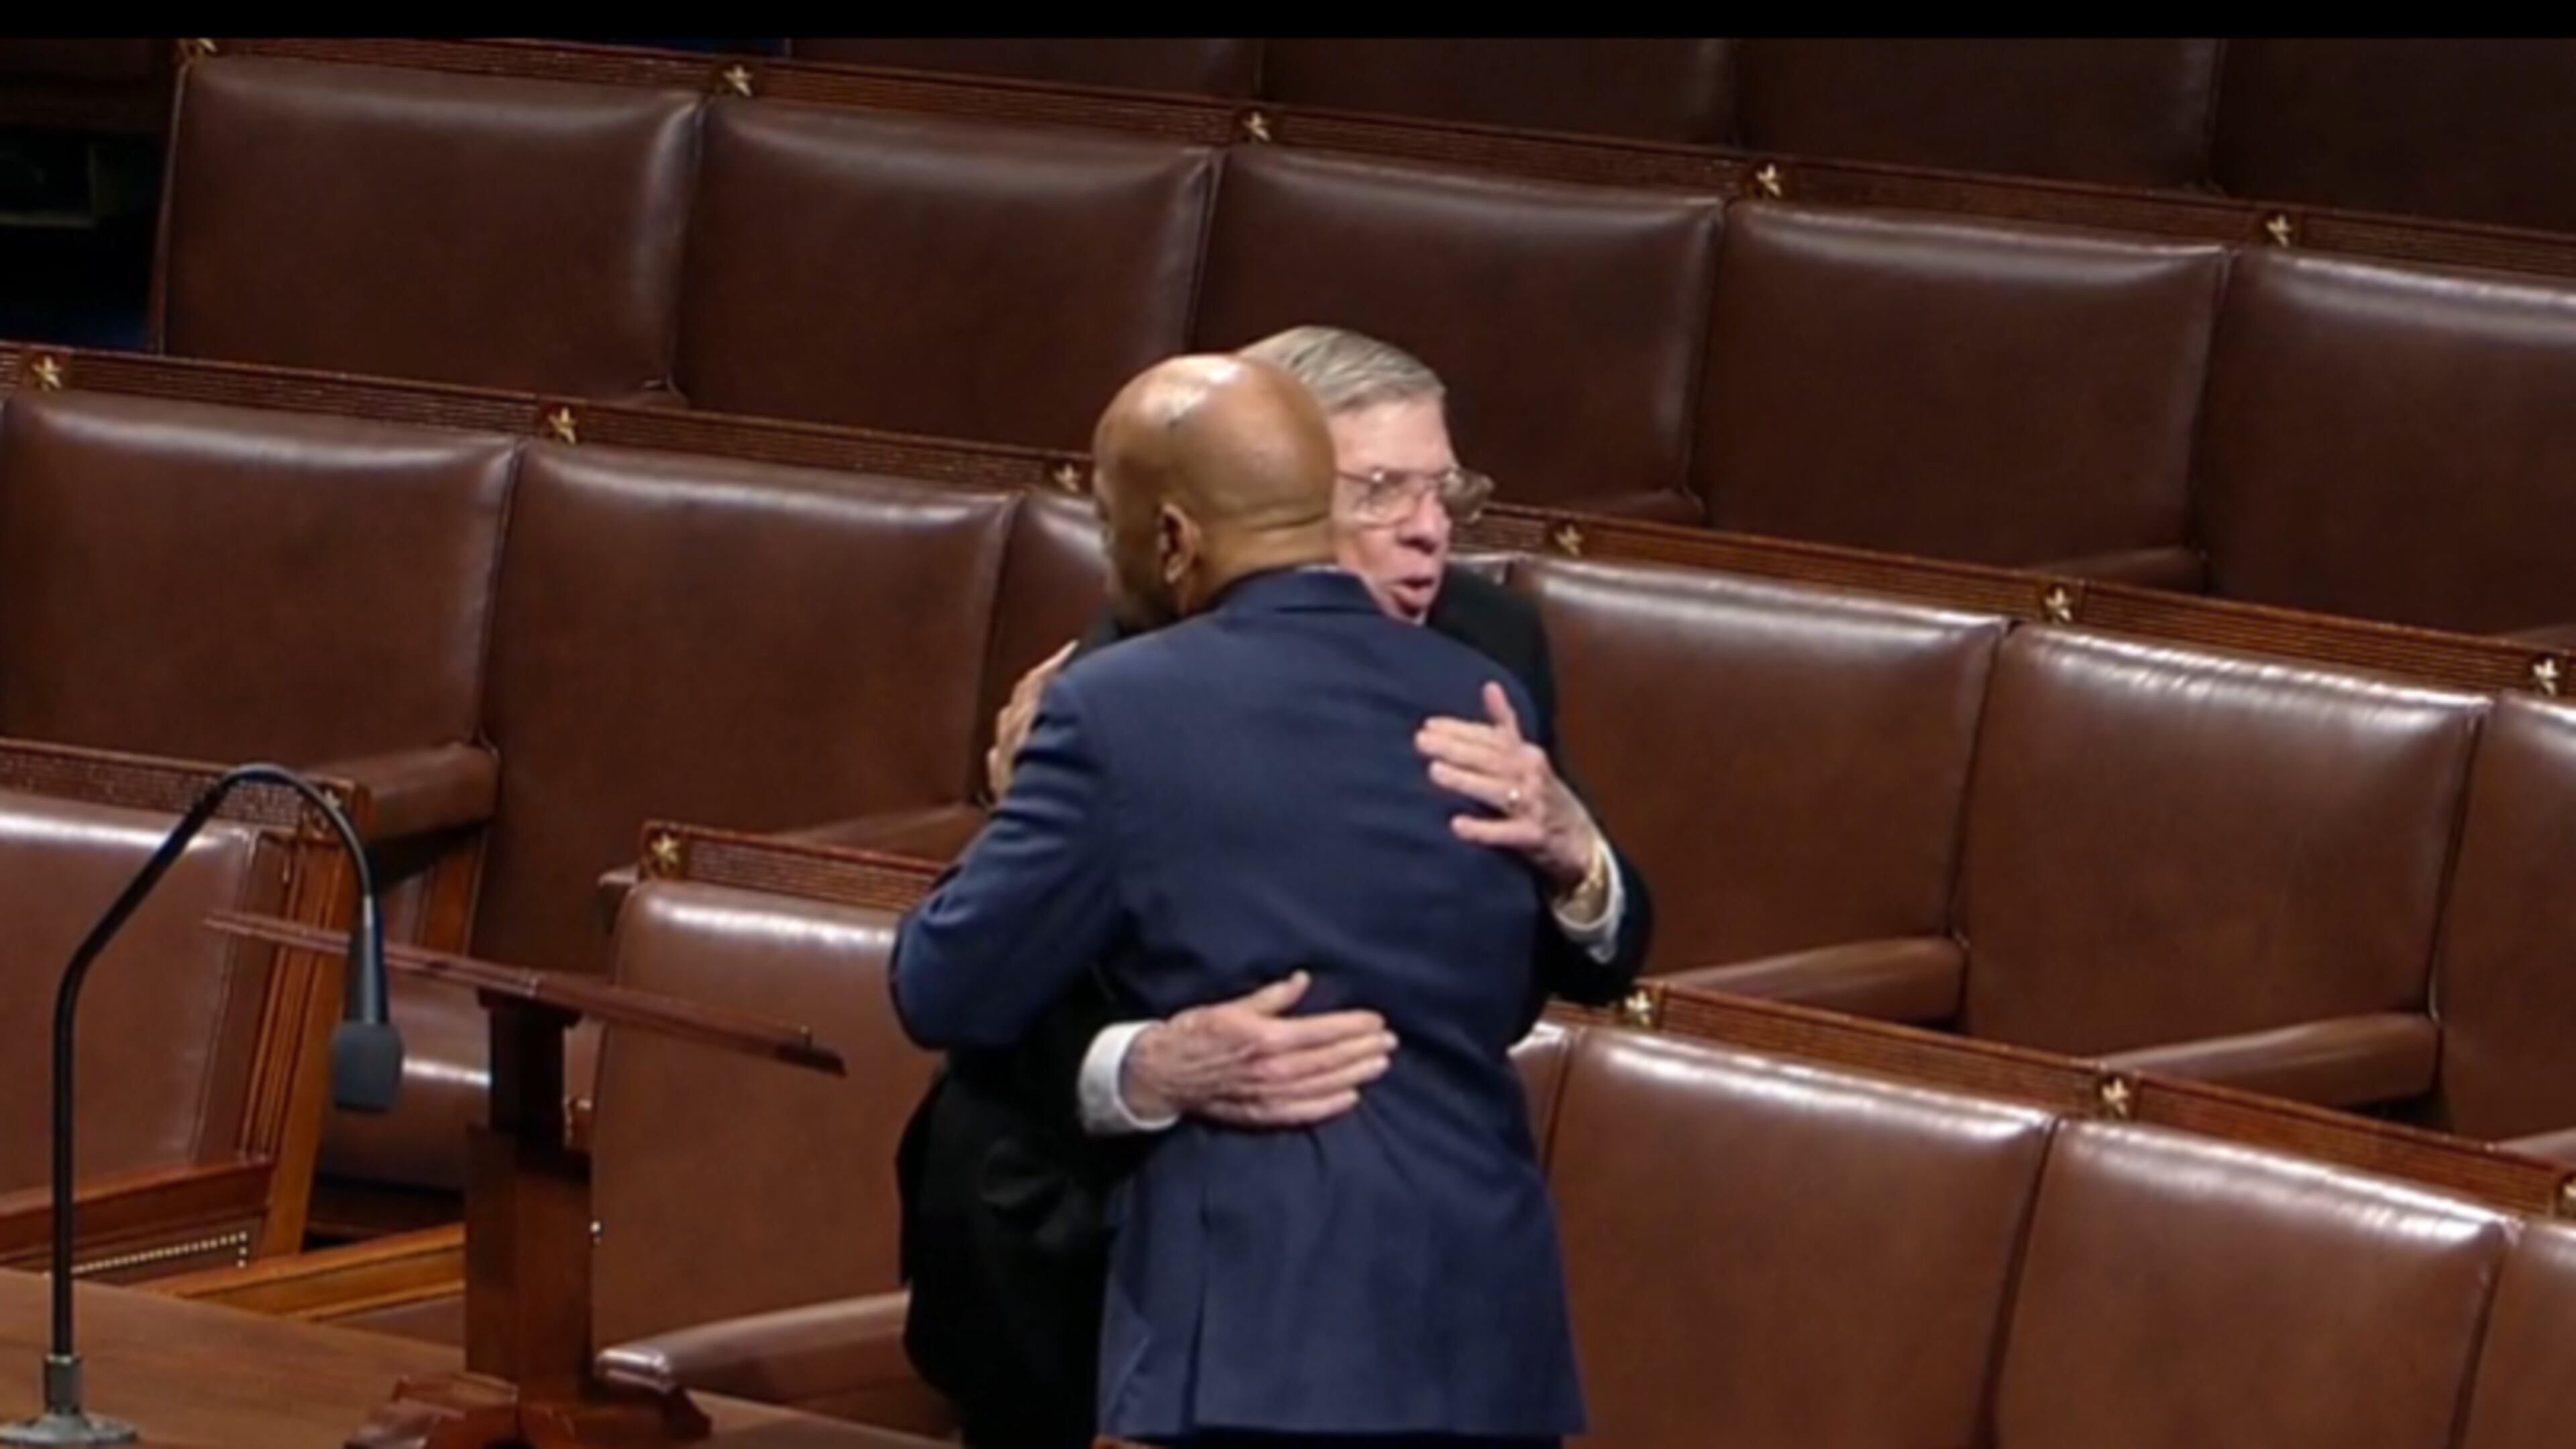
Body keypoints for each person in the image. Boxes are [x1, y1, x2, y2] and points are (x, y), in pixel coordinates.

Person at [896, 327, 1654, 1449]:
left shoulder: (1491, 655)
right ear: (1283, 485)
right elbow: (1011, 1002)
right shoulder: (1130, 674)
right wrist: (1141, 1067)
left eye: (1442, 489)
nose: (1427, 525)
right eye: (1381, 488)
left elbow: (945, 978)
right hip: (1110, 1228)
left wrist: (1577, 855)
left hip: (1309, 1298)